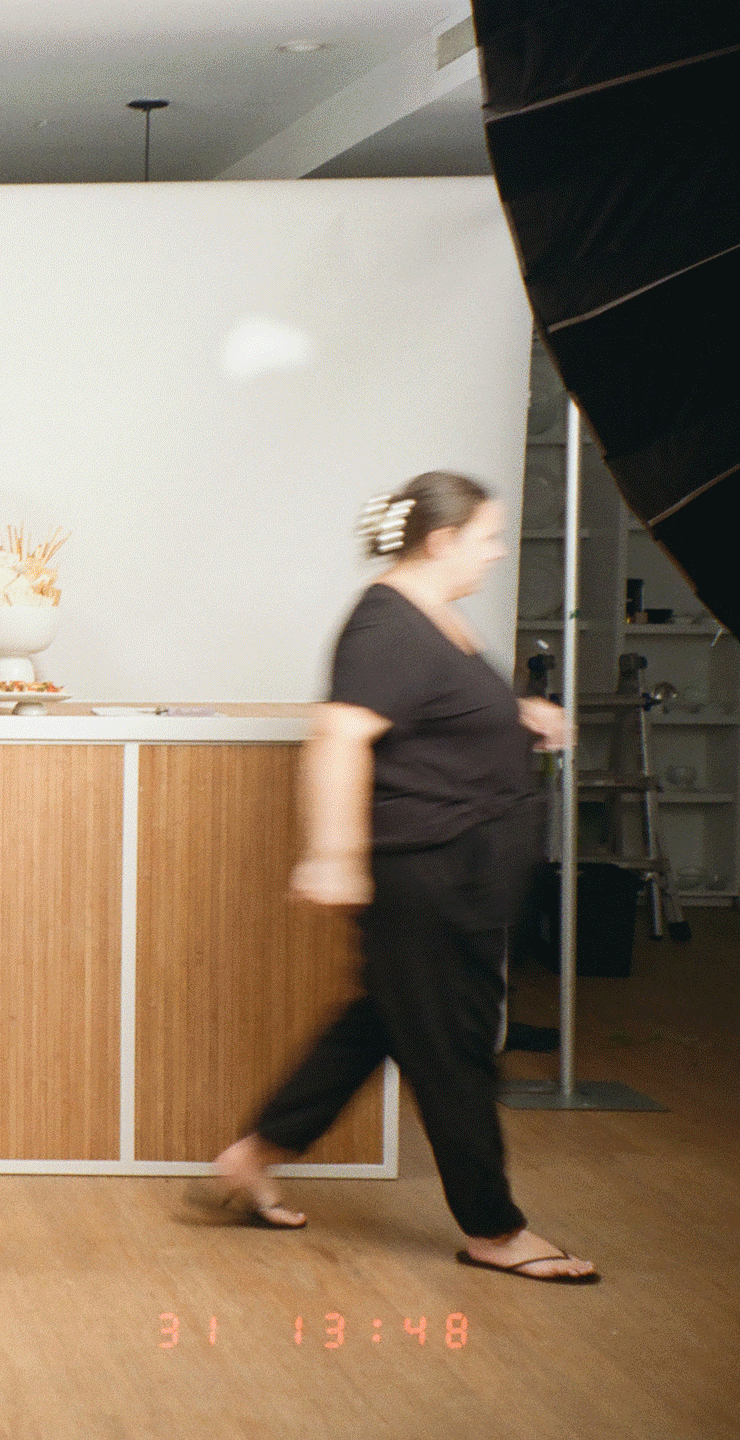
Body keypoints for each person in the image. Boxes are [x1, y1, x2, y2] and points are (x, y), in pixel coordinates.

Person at [207, 471, 597, 1284]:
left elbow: (437, 719)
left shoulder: (433, 620)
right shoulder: (388, 623)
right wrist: (335, 856)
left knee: (383, 1019)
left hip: (456, 877)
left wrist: (519, 717)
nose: (495, 553)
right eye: (487, 538)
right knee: (453, 1049)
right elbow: (341, 737)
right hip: (429, 877)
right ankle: (494, 1229)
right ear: (441, 540)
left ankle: (253, 1155)